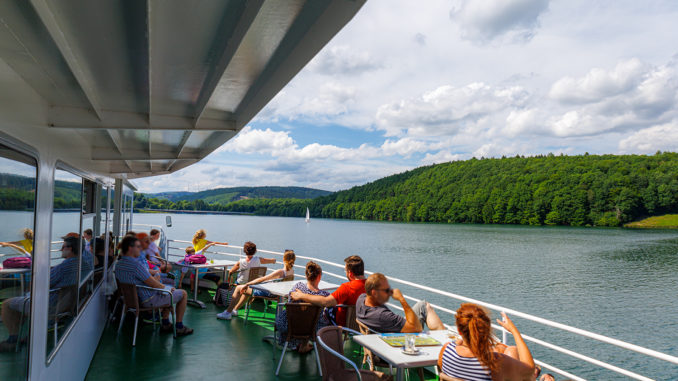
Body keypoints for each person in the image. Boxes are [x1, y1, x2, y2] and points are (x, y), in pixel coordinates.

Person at [0, 236, 80, 351]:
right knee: (19, 302)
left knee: (7, 304)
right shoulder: (79, 263)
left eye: (63, 247)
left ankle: (13, 341)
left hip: (47, 304)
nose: (60, 250)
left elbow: (42, 284)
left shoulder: (64, 267)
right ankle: (26, 337)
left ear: (70, 249)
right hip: (64, 303)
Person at [115, 235, 193, 335]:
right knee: (182, 293)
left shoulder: (119, 264)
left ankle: (165, 323)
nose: (141, 249)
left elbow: (143, 278)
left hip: (131, 301)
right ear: (130, 248)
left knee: (167, 293)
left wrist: (161, 284)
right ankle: (179, 327)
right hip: (148, 300)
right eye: (138, 247)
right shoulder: (136, 266)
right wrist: (169, 289)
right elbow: (155, 285)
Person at [438, 303, 535, 381]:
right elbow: (530, 370)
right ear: (487, 330)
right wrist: (514, 331)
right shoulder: (494, 362)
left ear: (459, 331)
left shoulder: (446, 350)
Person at [217, 250, 295, 320]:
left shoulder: (280, 272)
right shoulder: (291, 271)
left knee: (238, 288)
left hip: (270, 293)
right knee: (247, 291)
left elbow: (262, 279)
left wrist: (247, 284)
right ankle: (235, 310)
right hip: (279, 295)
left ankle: (227, 313)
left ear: (283, 259)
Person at [290, 255, 366, 326]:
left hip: (344, 325)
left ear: (350, 273)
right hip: (363, 325)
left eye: (345, 271)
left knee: (327, 309)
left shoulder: (347, 288)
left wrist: (302, 295)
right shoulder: (372, 286)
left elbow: (325, 302)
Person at [356, 273, 445, 333]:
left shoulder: (361, 299)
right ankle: (445, 343)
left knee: (422, 305)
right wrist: (401, 299)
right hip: (398, 340)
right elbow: (416, 328)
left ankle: (443, 337)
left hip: (386, 331)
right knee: (425, 307)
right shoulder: (382, 315)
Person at [275, 261, 331, 353]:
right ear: (319, 276)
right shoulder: (323, 295)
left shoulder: (298, 287)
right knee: (315, 320)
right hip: (311, 330)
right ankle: (304, 346)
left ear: (306, 275)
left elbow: (290, 299)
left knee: (299, 317)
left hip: (291, 327)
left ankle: (299, 345)